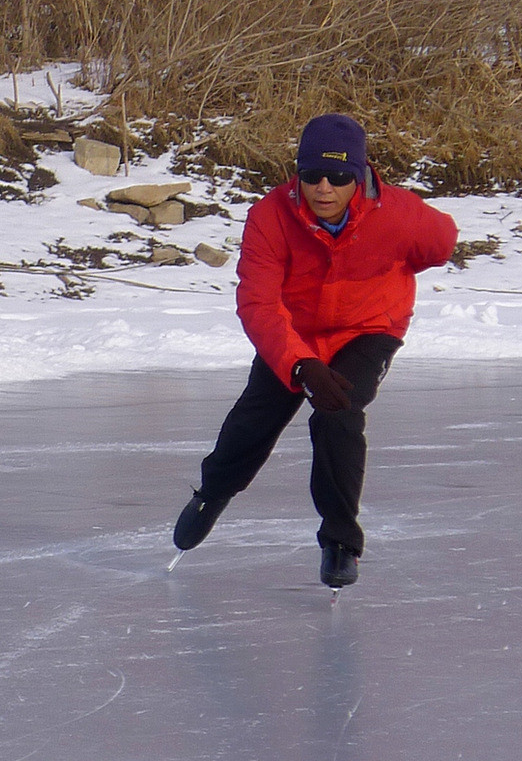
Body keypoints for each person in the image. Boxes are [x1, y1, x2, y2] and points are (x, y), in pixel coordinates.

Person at [173, 113, 458, 588]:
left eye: (339, 176)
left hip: (369, 329)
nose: (324, 188)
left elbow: (443, 242)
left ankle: (341, 542)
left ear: (361, 176)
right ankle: (213, 493)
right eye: (311, 176)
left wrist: (394, 269)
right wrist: (301, 363)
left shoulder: (400, 214)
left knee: (338, 415)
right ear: (297, 174)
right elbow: (258, 303)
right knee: (252, 423)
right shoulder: (270, 217)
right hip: (294, 334)